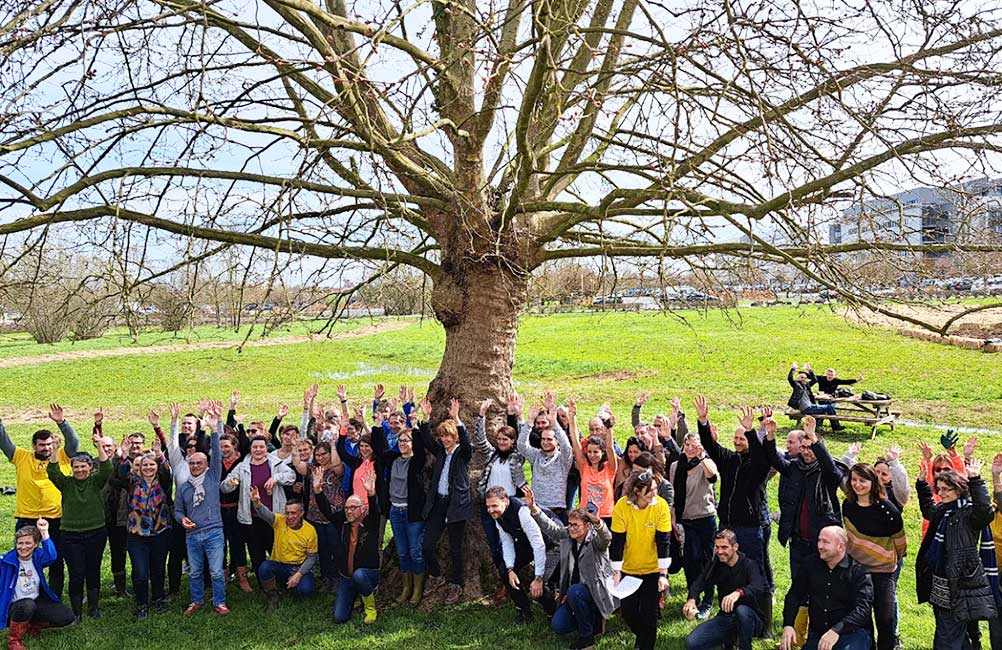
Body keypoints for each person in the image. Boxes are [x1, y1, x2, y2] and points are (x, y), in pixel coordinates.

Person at [694, 399, 771, 613]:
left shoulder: (757, 465)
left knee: (756, 572)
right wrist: (703, 421)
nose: (737, 442)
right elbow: (710, 445)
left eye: (742, 438)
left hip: (749, 527)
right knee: (723, 569)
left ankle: (762, 618)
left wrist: (752, 431)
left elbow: (760, 456)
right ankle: (726, 611)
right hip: (727, 525)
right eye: (736, 438)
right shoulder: (729, 459)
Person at [0, 405, 81, 599]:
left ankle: (53, 599)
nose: (47, 448)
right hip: (26, 519)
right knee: (23, 559)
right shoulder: (21, 457)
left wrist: (62, 422)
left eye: (49, 444)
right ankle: (22, 597)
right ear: (34, 445)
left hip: (56, 519)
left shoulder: (61, 456)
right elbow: (4, 443)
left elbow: (74, 443)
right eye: (42, 445)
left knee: (56, 561)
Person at [916, 459, 997, 649]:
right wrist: (921, 484)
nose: (941, 493)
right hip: (940, 583)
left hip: (958, 584)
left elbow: (985, 512)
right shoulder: (943, 511)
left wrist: (976, 479)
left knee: (946, 637)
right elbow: (928, 508)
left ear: (959, 489)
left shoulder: (968, 514)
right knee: (953, 633)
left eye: (946, 489)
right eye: (939, 489)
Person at [526, 489, 616, 650]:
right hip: (573, 594)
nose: (571, 528)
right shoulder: (567, 536)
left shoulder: (596, 541)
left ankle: (587, 639)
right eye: (569, 524)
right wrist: (533, 508)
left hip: (595, 592)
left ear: (587, 526)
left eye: (576, 525)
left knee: (575, 592)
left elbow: (607, 538)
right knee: (558, 626)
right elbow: (550, 528)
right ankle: (592, 620)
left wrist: (599, 523)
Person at [45, 434, 112, 622]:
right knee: (76, 573)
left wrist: (99, 446)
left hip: (96, 533)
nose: (80, 470)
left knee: (93, 570)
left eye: (84, 466)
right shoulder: (66, 484)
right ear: (72, 468)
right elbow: (53, 472)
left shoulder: (96, 482)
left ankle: (93, 607)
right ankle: (76, 612)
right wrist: (56, 449)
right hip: (70, 535)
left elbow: (107, 468)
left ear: (90, 468)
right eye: (76, 467)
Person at [841, 463, 906, 650]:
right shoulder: (848, 505)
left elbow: (900, 543)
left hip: (883, 571)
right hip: (858, 570)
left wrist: (885, 557)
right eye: (854, 480)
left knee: (885, 618)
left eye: (863, 480)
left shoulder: (888, 509)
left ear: (872, 482)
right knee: (861, 617)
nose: (857, 484)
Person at [174, 400, 229, 616]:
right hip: (192, 534)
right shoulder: (184, 487)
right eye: (192, 463)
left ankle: (220, 601)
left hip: (214, 531)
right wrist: (181, 520)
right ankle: (196, 600)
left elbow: (216, 452)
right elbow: (178, 510)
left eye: (199, 463)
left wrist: (214, 429)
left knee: (216, 572)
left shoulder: (213, 477)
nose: (195, 466)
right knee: (195, 572)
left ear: (206, 464)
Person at [781, 526, 874, 650]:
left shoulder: (859, 572)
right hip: (819, 634)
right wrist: (788, 625)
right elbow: (794, 595)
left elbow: (863, 610)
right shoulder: (809, 565)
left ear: (840, 546)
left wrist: (836, 630)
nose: (820, 546)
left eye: (825, 542)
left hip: (851, 633)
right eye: (819, 540)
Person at [417, 397, 472, 605]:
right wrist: (426, 417)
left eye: (447, 436)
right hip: (438, 504)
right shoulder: (440, 452)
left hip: (456, 505)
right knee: (427, 545)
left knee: (455, 548)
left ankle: (456, 584)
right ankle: (436, 575)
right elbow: (426, 439)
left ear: (454, 436)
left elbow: (466, 444)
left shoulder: (462, 453)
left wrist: (456, 418)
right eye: (442, 436)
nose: (444, 439)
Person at [610, 468, 672, 650]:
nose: (655, 493)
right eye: (650, 491)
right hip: (629, 570)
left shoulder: (661, 506)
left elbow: (664, 542)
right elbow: (617, 542)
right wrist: (616, 571)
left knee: (650, 615)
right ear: (637, 491)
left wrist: (663, 575)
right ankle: (642, 638)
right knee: (628, 613)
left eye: (655, 488)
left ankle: (645, 646)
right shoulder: (622, 506)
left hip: (652, 570)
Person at [219, 435, 296, 579]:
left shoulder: (275, 464)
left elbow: (291, 476)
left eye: (261, 447)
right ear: (250, 449)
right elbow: (224, 487)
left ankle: (280, 580)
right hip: (252, 517)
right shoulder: (242, 467)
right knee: (256, 552)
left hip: (274, 516)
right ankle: (264, 584)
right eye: (255, 447)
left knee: (276, 549)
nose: (258, 450)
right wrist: (231, 483)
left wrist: (276, 478)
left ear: (266, 448)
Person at [473, 398, 527, 599]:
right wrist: (481, 415)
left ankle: (510, 584)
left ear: (512, 442)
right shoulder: (492, 456)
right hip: (490, 509)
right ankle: (503, 582)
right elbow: (479, 439)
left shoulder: (517, 457)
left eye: (506, 439)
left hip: (509, 508)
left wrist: (517, 416)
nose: (502, 442)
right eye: (500, 439)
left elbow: (523, 442)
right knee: (496, 547)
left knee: (511, 547)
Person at [109, 449, 173, 621]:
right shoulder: (132, 482)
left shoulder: (163, 482)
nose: (148, 467)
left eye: (152, 464)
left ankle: (158, 599)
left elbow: (167, 471)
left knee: (158, 569)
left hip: (160, 532)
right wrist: (123, 458)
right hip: (137, 535)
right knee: (141, 572)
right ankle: (141, 604)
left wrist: (160, 455)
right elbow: (120, 475)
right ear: (139, 467)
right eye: (145, 465)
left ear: (157, 466)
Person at [371, 423, 428, 606]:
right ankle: (406, 588)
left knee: (415, 553)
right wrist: (378, 426)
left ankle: (417, 590)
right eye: (400, 440)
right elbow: (379, 449)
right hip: (395, 511)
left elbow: (420, 447)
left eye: (406, 441)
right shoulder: (394, 458)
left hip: (412, 514)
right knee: (403, 553)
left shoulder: (417, 461)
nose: (402, 444)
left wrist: (418, 426)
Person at [314, 471, 380, 624]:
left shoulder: (370, 523)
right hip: (346, 577)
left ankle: (370, 607)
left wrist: (371, 493)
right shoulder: (343, 523)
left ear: (363, 508)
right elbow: (328, 512)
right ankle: (356, 594)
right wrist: (318, 491)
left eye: (354, 507)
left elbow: (376, 512)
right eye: (347, 508)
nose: (349, 511)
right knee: (339, 617)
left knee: (359, 575)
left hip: (368, 573)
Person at [683, 529, 767, 650]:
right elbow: (700, 582)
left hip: (751, 618)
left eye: (724, 547)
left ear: (735, 547)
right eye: (717, 547)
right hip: (726, 617)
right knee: (692, 643)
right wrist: (692, 599)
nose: (720, 551)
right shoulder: (715, 565)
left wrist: (739, 593)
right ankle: (729, 639)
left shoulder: (749, 564)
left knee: (742, 611)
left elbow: (759, 587)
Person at [1, 519, 75, 649]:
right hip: (13, 605)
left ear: (36, 545)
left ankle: (31, 625)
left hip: (35, 600)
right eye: (20, 543)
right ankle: (14, 640)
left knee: (66, 616)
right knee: (27, 605)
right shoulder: (6, 561)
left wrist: (44, 532)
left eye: (28, 543)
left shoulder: (37, 557)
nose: (23, 547)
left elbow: (52, 556)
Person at [484, 487, 551, 624]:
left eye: (494, 505)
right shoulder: (498, 515)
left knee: (542, 583)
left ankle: (552, 612)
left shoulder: (523, 512)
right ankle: (523, 610)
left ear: (506, 501)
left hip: (550, 543)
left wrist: (538, 577)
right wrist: (510, 569)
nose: (491, 510)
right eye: (488, 507)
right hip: (526, 542)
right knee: (504, 570)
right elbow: (507, 543)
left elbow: (539, 545)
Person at [669, 431, 718, 620]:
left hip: (704, 517)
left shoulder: (705, 463)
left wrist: (702, 456)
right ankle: (693, 597)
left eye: (694, 444)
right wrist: (673, 516)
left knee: (707, 560)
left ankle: (708, 600)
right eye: (687, 445)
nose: (690, 448)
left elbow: (713, 476)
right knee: (690, 560)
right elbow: (674, 492)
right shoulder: (676, 466)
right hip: (685, 519)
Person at [251, 491, 318, 609]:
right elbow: (265, 514)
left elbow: (312, 557)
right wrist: (257, 503)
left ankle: (290, 585)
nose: (290, 517)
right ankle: (273, 595)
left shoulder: (310, 530)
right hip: (279, 565)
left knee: (306, 590)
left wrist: (299, 574)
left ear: (301, 513)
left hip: (298, 567)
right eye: (287, 513)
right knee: (265, 567)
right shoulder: (279, 521)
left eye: (293, 513)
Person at [517, 393, 574, 523]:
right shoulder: (536, 456)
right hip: (537, 508)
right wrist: (530, 422)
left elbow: (566, 446)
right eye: (543, 439)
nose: (545, 442)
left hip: (556, 510)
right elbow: (521, 445)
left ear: (556, 441)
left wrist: (554, 422)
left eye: (549, 439)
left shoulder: (563, 459)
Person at [567, 400, 617, 525]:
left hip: (606, 516)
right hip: (586, 516)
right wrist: (572, 417)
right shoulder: (584, 467)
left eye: (596, 452)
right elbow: (575, 442)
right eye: (589, 452)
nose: (592, 455)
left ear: (602, 453)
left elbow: (610, 448)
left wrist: (609, 427)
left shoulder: (609, 468)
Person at [305, 441, 344, 593]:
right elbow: (297, 463)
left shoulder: (336, 469)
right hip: (315, 514)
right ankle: (326, 578)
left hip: (333, 515)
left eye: (324, 454)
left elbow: (338, 467)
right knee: (322, 549)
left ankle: (337, 578)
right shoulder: (313, 469)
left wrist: (333, 444)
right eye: (318, 454)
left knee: (335, 547)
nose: (320, 457)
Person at [218, 431, 251, 593]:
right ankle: (223, 577)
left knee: (238, 543)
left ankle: (242, 578)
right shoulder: (216, 463)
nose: (223, 449)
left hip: (237, 508)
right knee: (220, 545)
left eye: (226, 446)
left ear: (234, 447)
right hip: (219, 510)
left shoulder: (241, 463)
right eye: (221, 446)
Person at [787, 363, 839, 427]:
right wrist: (793, 369)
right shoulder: (796, 385)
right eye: (802, 377)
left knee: (825, 410)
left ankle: (818, 426)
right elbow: (790, 378)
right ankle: (836, 427)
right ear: (798, 378)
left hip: (811, 406)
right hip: (806, 408)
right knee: (830, 407)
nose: (803, 379)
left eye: (805, 378)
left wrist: (810, 370)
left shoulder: (806, 386)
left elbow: (815, 380)